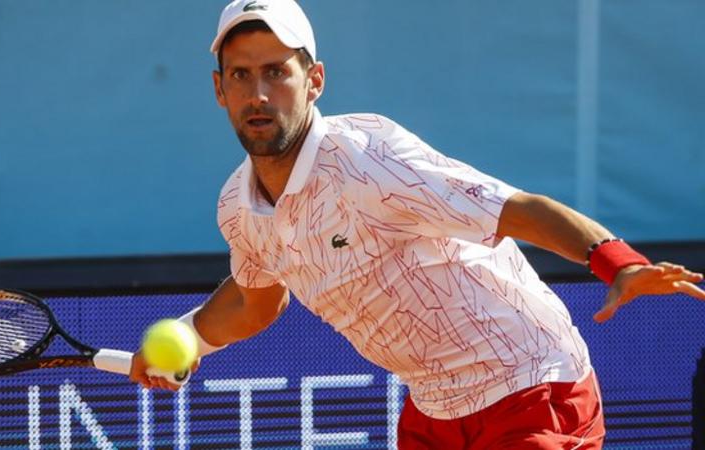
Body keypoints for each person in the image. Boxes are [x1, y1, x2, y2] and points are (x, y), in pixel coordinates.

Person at [130, 0, 705, 447]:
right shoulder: (238, 208)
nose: (259, 94)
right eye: (240, 76)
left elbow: (518, 210)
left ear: (315, 81)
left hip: (534, 383)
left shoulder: (369, 159)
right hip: (434, 411)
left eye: (277, 72)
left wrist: (618, 263)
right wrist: (188, 341)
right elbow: (256, 302)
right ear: (219, 89)